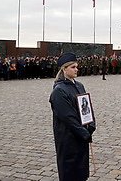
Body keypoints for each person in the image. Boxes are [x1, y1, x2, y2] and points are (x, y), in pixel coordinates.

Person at [49, 53, 96, 181]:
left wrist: (91, 125)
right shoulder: (59, 91)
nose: (76, 69)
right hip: (68, 137)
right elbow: (68, 117)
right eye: (73, 67)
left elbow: (87, 107)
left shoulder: (79, 85)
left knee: (81, 171)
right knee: (70, 171)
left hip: (81, 135)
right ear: (64, 69)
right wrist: (83, 133)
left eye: (76, 67)